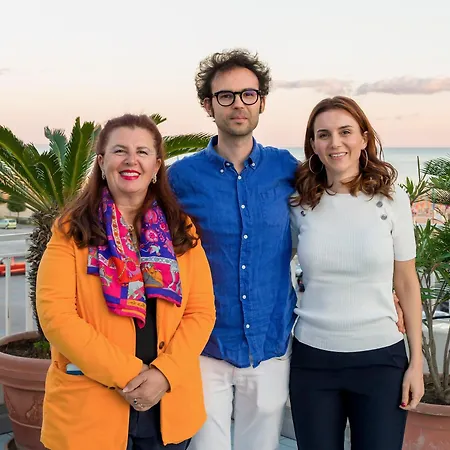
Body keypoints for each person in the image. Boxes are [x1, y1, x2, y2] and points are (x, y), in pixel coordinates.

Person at [36, 114, 215, 450]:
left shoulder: (180, 229)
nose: (131, 160)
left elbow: (201, 312)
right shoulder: (71, 231)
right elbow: (56, 317)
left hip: (168, 402)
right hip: (91, 406)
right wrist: (128, 374)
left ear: (157, 166)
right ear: (101, 163)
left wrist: (164, 374)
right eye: (120, 151)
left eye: (142, 152)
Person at [168, 49, 298, 450]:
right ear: (208, 106)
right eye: (225, 96)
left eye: (248, 94)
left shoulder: (288, 169)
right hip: (204, 344)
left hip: (271, 340)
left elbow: (334, 218)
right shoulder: (180, 178)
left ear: (261, 102)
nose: (238, 104)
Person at [289, 96, 424, 450]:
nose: (335, 142)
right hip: (312, 360)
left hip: (381, 360)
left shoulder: (393, 200)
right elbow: (272, 268)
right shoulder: (299, 204)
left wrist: (416, 362)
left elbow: (406, 282)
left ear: (363, 138)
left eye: (345, 131)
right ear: (313, 145)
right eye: (324, 134)